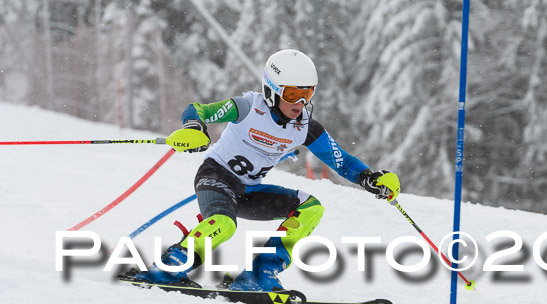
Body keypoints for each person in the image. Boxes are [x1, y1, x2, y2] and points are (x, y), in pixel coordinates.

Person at [135, 49, 400, 291]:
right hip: (216, 176)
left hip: (249, 191)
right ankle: (168, 268)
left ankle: (259, 274)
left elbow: (342, 161)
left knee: (311, 208)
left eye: (307, 94)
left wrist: (370, 178)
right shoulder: (249, 107)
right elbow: (198, 110)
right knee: (225, 224)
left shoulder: (305, 127)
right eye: (292, 94)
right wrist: (193, 127)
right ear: (272, 91)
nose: (299, 103)